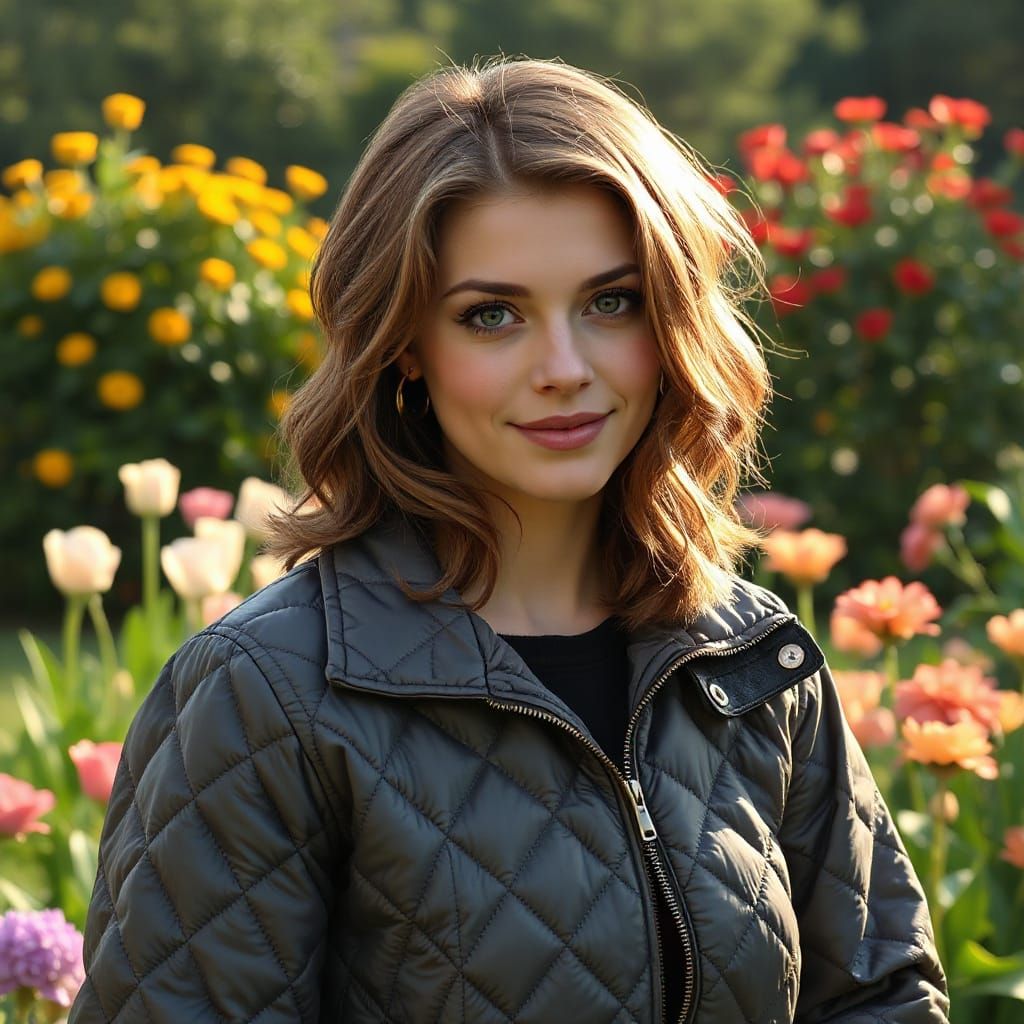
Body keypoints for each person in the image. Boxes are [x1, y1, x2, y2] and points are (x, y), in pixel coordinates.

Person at [69, 57, 950, 1024]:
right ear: (405, 343)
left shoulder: (750, 664)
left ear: (672, 316)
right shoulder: (268, 694)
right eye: (493, 316)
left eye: (610, 301)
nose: (563, 369)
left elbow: (882, 998)